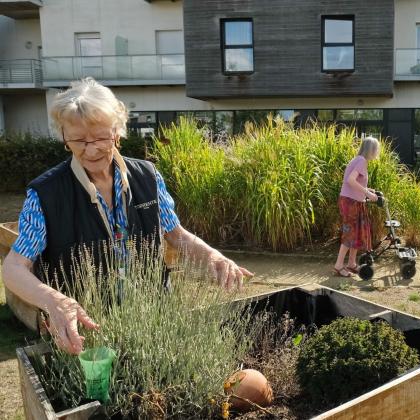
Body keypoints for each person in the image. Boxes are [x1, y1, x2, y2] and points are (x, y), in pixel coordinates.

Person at [2, 78, 253, 355]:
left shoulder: (148, 177)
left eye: (100, 137)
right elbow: (13, 268)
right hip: (87, 336)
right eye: (78, 140)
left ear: (117, 132)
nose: (91, 149)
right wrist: (56, 302)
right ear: (65, 138)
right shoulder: (45, 194)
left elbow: (176, 235)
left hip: (154, 321)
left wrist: (212, 256)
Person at [334, 136, 380, 277]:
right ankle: (338, 266)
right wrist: (368, 193)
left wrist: (368, 190)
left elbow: (356, 182)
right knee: (351, 233)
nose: (377, 152)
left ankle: (351, 263)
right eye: (376, 149)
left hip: (353, 201)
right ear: (371, 149)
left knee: (357, 233)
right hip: (351, 202)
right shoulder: (361, 161)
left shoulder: (358, 159)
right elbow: (350, 180)